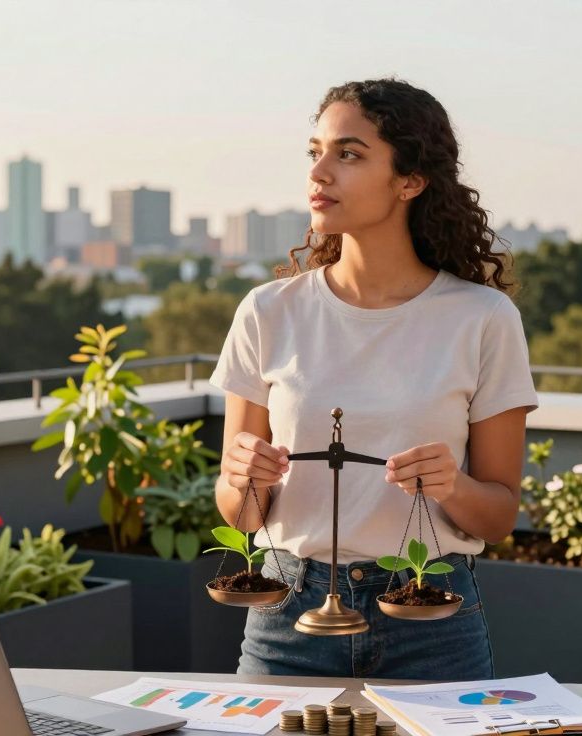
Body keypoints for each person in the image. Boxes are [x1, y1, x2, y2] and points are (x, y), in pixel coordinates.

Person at [207, 78, 539, 680]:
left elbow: (496, 516)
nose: (320, 173)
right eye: (316, 152)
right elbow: (240, 515)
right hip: (287, 614)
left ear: (410, 181)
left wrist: (450, 486)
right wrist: (240, 478)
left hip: (430, 618)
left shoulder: (484, 320)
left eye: (349, 154)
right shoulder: (267, 311)